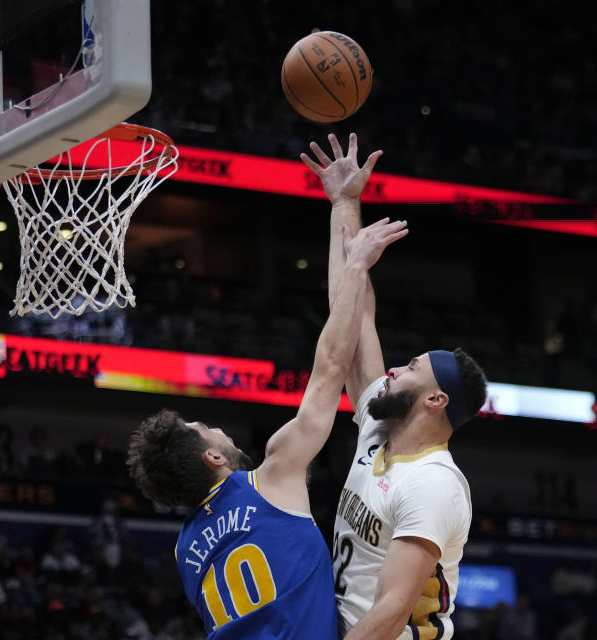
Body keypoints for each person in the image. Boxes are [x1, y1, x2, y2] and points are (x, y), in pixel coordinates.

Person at [126, 217, 409, 639]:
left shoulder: (185, 550)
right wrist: (355, 267)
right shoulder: (270, 478)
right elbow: (331, 364)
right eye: (206, 427)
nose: (219, 428)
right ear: (213, 456)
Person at [302, 133, 489, 640]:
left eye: (410, 367)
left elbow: (389, 613)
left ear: (435, 399)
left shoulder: (432, 484)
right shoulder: (379, 433)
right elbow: (353, 315)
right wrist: (344, 203)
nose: (393, 371)